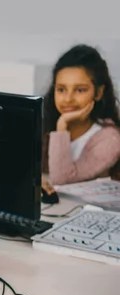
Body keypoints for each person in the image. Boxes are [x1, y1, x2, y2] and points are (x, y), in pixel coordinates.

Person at [42, 44, 120, 188]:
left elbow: (62, 179)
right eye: (61, 89)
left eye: (80, 90)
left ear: (98, 93)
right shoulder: (44, 125)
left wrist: (62, 125)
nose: (68, 99)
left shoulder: (110, 139)